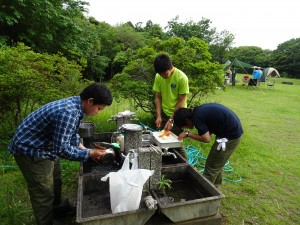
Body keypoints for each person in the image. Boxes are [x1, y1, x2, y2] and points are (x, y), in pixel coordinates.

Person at [8, 83, 113, 225]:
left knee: (56, 180)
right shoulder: (68, 112)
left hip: (47, 145)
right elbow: (62, 150)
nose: (98, 112)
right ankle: (46, 221)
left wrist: (84, 149)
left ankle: (58, 210)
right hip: (31, 149)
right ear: (90, 101)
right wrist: (88, 154)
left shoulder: (77, 106)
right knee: (43, 192)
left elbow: (71, 133)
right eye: (99, 108)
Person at [173, 103, 243, 187]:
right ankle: (216, 187)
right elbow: (211, 124)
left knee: (211, 167)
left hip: (230, 136)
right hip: (231, 131)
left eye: (185, 127)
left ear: (187, 121)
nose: (186, 128)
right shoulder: (198, 111)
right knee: (217, 163)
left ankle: (205, 194)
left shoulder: (197, 118)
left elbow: (206, 139)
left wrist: (188, 134)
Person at [152, 53, 189, 158]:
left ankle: (186, 164)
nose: (163, 76)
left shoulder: (182, 78)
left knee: (176, 141)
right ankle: (167, 160)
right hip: (165, 112)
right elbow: (158, 97)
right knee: (163, 139)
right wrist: (158, 115)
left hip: (179, 114)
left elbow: (181, 101)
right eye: (160, 74)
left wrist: (171, 119)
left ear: (171, 67)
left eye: (165, 74)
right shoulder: (158, 76)